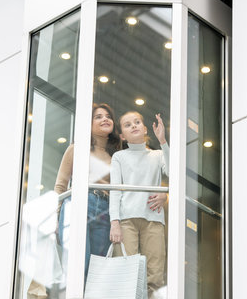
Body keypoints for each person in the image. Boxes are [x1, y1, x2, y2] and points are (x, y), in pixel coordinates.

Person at [54, 104, 167, 279]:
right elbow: (60, 187)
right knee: (78, 263)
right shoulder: (77, 148)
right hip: (80, 204)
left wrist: (164, 194)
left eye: (108, 116)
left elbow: (149, 167)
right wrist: (55, 219)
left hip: (107, 211)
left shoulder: (119, 153)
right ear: (88, 123)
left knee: (97, 269)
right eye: (98, 116)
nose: (105, 119)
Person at [109, 111, 169, 299]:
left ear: (144, 129)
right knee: (126, 272)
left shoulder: (158, 154)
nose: (133, 126)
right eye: (127, 125)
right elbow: (115, 191)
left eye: (137, 122)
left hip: (154, 219)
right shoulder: (119, 157)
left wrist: (163, 141)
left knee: (155, 274)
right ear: (122, 136)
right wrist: (115, 222)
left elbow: (174, 173)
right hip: (126, 221)